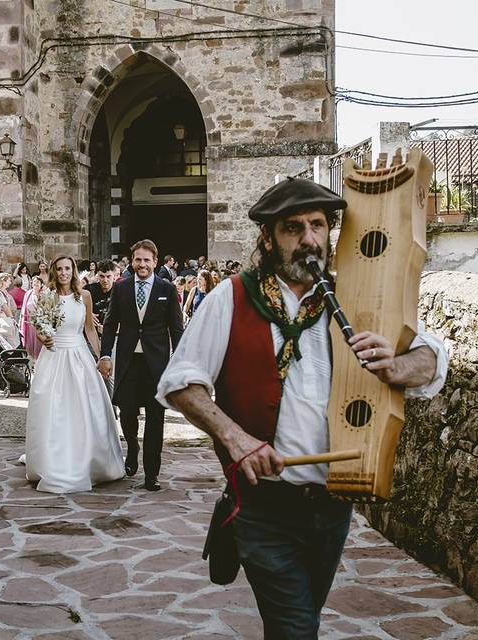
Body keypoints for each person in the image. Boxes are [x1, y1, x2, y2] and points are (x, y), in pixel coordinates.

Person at [157, 177, 448, 640]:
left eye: (318, 225)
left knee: (299, 620)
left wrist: (397, 365)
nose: (309, 239)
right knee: (295, 626)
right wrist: (237, 440)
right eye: (293, 228)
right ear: (268, 239)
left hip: (333, 507)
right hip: (262, 505)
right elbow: (179, 385)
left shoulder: (355, 300)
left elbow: (433, 359)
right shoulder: (230, 298)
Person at [25, 255, 125, 493]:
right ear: (53, 271)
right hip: (55, 355)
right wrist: (43, 338)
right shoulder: (47, 297)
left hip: (79, 354)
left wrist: (102, 357)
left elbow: (89, 329)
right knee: (54, 408)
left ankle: (90, 459)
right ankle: (53, 459)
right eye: (59, 269)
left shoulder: (85, 296)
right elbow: (40, 328)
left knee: (85, 406)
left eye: (67, 268)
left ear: (73, 270)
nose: (63, 273)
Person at [98, 240, 184, 491]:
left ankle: (152, 474)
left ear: (155, 262)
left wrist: (180, 359)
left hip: (156, 363)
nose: (142, 264)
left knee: (156, 418)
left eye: (147, 260)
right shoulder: (121, 288)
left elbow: (176, 328)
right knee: (127, 413)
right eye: (138, 260)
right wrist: (105, 356)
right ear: (132, 261)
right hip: (128, 362)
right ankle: (133, 447)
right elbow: (111, 323)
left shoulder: (167, 289)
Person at [19, 275, 44, 361]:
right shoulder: (28, 293)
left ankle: (39, 360)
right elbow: (23, 307)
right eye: (34, 282)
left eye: (38, 282)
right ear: (31, 283)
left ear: (41, 284)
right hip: (28, 322)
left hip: (39, 322)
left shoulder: (43, 294)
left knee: (38, 342)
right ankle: (31, 360)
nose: (36, 283)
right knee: (29, 341)